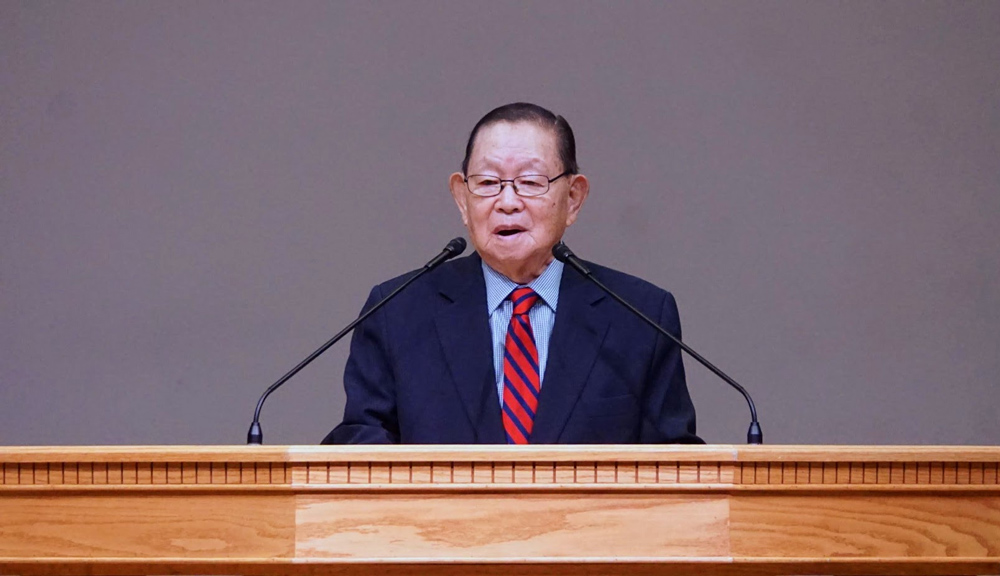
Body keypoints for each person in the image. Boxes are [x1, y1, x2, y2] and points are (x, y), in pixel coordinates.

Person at [323, 103, 701, 444]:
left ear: (573, 198)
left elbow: (678, 470)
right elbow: (359, 453)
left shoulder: (640, 318)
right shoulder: (396, 313)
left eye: (530, 182)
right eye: (488, 183)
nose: (507, 203)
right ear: (462, 198)